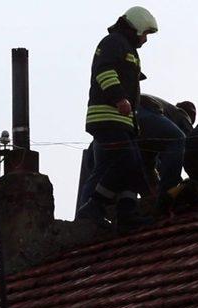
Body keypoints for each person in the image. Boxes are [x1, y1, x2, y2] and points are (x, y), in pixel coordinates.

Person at [76, 6, 158, 232]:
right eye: (145, 33)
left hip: (122, 120)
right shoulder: (114, 43)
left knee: (131, 165)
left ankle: (127, 211)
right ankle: (95, 205)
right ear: (135, 27)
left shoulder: (127, 47)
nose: (145, 39)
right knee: (127, 161)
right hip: (107, 116)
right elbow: (104, 72)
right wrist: (120, 98)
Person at [138, 95, 196, 196]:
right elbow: (193, 146)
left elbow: (164, 162)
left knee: (147, 165)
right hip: (143, 110)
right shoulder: (182, 114)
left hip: (128, 118)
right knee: (178, 139)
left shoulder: (163, 125)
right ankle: (168, 193)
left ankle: (150, 197)